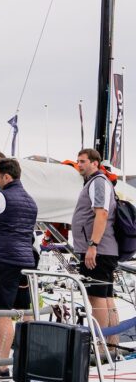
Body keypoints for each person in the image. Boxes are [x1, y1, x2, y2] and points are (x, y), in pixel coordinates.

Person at [0, 157, 38, 376]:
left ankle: (1, 367)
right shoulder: (31, 201)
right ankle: (29, 360)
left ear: (7, 177)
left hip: (5, 261)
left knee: (2, 313)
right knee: (25, 312)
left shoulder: (0, 196)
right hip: (27, 262)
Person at [72, 148, 121, 349]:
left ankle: (100, 347)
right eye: (78, 161)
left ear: (95, 163)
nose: (79, 165)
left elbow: (101, 214)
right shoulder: (98, 182)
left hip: (97, 251)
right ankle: (112, 344)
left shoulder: (98, 182)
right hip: (105, 249)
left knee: (97, 298)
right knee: (107, 297)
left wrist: (93, 245)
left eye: (83, 161)